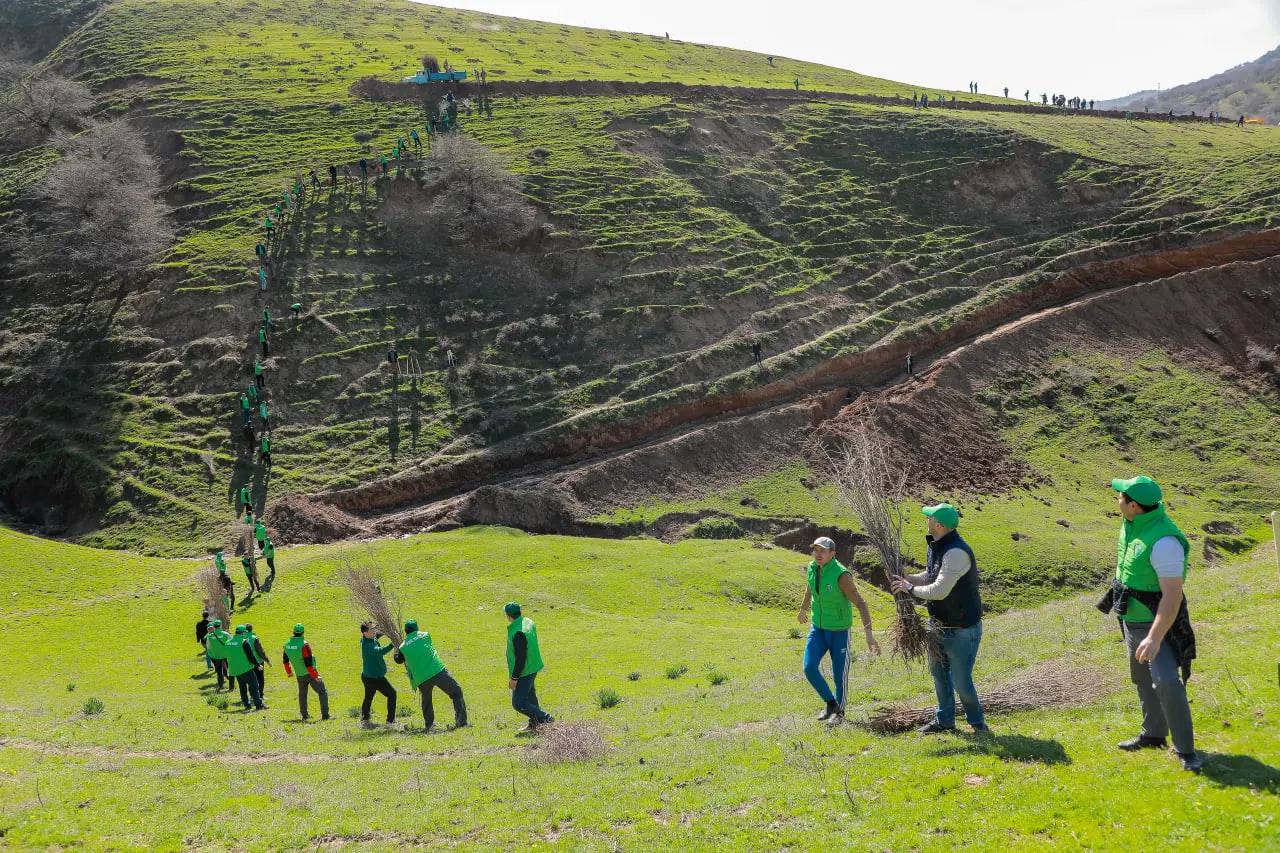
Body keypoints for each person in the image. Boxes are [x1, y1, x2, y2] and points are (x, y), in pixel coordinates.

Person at [1096, 476, 1199, 772]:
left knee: (1166, 680)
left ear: (1133, 505)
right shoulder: (1133, 524)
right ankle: (1153, 734)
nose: (1117, 501)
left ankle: (1186, 751)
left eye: (1121, 497)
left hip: (1157, 623)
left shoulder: (1165, 542)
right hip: (1132, 620)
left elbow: (1172, 595)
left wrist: (1154, 637)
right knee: (1141, 678)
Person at [891, 503, 988, 735]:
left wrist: (909, 588)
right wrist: (907, 577)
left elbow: (939, 591)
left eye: (929, 517)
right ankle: (944, 721)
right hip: (939, 624)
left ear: (939, 525)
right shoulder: (937, 546)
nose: (926, 520)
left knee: (961, 681)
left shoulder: (956, 552)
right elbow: (931, 576)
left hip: (962, 629)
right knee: (938, 674)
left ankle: (977, 724)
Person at [798, 536, 880, 724]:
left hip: (839, 631)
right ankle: (831, 703)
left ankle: (840, 713)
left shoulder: (841, 575)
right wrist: (803, 609)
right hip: (818, 629)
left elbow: (861, 603)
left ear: (832, 554)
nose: (818, 554)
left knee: (838, 674)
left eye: (823, 551)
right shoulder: (812, 568)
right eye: (816, 550)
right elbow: (810, 588)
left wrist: (869, 635)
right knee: (809, 667)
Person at [394, 619, 467, 731]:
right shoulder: (425, 635)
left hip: (421, 678)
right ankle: (461, 722)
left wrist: (396, 650)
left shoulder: (403, 647)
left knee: (426, 700)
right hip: (436, 670)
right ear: (417, 628)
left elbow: (398, 660)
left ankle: (429, 725)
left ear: (405, 631)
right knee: (456, 691)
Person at [505, 602, 554, 733]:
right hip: (534, 666)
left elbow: (520, 658)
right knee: (530, 697)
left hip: (524, 671)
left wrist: (514, 678)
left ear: (508, 616)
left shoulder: (518, 632)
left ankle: (547, 719)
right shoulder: (528, 621)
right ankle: (535, 724)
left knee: (519, 703)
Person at [283, 624, 330, 721]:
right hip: (309, 674)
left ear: (293, 632)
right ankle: (325, 715)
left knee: (302, 694)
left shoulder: (286, 645)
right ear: (303, 632)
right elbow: (308, 663)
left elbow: (285, 660)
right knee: (322, 692)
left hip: (299, 674)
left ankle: (304, 715)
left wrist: (289, 672)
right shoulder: (304, 645)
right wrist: (315, 675)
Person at [360, 622, 398, 725]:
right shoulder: (367, 646)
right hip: (375, 678)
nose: (373, 631)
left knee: (368, 697)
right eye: (371, 630)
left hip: (368, 675)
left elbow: (377, 635)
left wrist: (385, 629)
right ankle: (390, 721)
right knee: (392, 694)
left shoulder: (370, 638)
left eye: (373, 629)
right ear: (364, 633)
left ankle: (364, 718)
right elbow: (381, 651)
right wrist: (392, 644)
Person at [226, 625, 267, 710]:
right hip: (245, 668)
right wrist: (258, 665)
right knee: (254, 686)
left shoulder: (228, 642)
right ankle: (259, 705)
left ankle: (247, 705)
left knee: (242, 687)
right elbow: (250, 656)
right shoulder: (244, 642)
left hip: (234, 669)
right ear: (243, 632)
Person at [206, 618, 232, 691]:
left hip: (216, 656)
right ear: (220, 626)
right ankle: (231, 684)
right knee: (228, 669)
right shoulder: (226, 634)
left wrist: (212, 655)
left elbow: (208, 647)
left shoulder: (210, 636)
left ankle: (220, 685)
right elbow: (231, 644)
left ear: (214, 626)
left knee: (219, 671)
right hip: (226, 655)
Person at [245, 623, 270, 695]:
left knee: (251, 679)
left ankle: (252, 695)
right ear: (251, 629)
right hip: (258, 662)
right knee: (260, 678)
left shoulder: (243, 638)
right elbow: (260, 651)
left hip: (249, 662)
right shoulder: (254, 638)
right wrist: (267, 660)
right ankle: (260, 694)